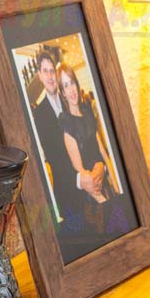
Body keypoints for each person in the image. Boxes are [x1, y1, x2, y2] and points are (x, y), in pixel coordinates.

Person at [57, 63, 120, 231]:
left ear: (77, 84)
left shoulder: (88, 114)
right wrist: (105, 203)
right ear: (62, 93)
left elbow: (103, 153)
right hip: (92, 196)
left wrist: (117, 188)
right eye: (65, 85)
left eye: (71, 82)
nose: (71, 89)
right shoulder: (66, 123)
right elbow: (82, 174)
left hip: (105, 185)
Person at [31, 51, 80, 218]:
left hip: (87, 183)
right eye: (45, 71)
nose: (50, 76)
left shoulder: (69, 101)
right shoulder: (39, 114)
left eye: (52, 71)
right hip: (67, 192)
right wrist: (79, 178)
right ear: (39, 75)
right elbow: (53, 158)